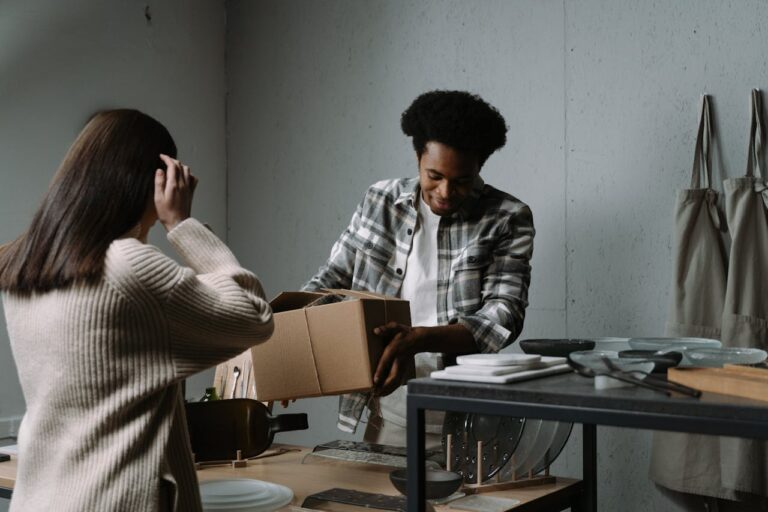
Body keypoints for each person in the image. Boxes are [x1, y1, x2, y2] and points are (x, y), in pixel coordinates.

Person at [0, 109, 274, 511]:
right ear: (158, 180)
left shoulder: (22, 266)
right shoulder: (130, 266)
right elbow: (254, 317)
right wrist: (182, 223)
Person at [303, 90, 534, 446]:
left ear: (479, 168)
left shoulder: (506, 217)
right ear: (417, 157)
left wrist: (420, 338)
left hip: (473, 413)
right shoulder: (381, 201)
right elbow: (330, 284)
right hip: (392, 408)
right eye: (434, 175)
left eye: (461, 181)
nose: (445, 191)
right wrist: (288, 349)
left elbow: (503, 316)